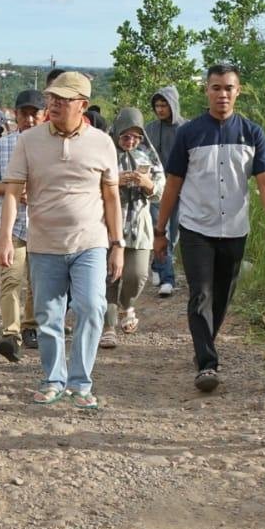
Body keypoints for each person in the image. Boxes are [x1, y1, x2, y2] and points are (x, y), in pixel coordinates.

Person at [0, 71, 123, 410]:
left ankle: (81, 383)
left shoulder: (102, 143)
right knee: (47, 315)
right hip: (44, 244)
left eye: (63, 100)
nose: (53, 104)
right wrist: (5, 238)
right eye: (52, 98)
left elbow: (111, 195)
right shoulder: (29, 140)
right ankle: (54, 379)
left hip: (90, 243)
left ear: (82, 105)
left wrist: (118, 244)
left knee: (92, 307)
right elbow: (11, 192)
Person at [153, 64, 265, 394]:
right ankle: (207, 363)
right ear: (206, 91)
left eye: (228, 88)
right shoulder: (190, 133)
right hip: (196, 226)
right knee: (201, 294)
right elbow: (173, 183)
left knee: (223, 296)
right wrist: (160, 231)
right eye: (215, 88)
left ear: (238, 91)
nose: (222, 94)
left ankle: (204, 343)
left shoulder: (252, 133)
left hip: (235, 229)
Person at [0, 88, 42, 361]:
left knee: (38, 282)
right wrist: (11, 191)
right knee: (11, 279)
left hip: (45, 225)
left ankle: (30, 325)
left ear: (44, 116)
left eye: (34, 114)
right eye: (24, 114)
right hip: (13, 225)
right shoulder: (4, 145)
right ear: (15, 115)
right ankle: (11, 333)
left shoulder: (51, 145)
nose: (29, 120)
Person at [102, 108, 164, 349]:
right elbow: (90, 180)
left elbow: (160, 191)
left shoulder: (148, 156)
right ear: (117, 133)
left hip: (138, 225)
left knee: (136, 275)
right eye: (126, 136)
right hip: (107, 225)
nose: (130, 141)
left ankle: (127, 305)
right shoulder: (105, 153)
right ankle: (108, 327)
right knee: (109, 277)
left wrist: (146, 183)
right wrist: (115, 181)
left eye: (136, 137)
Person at [143, 85, 184, 295]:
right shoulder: (149, 130)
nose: (160, 109)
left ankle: (157, 265)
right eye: (157, 105)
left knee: (175, 233)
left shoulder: (186, 128)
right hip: (158, 189)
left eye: (164, 105)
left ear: (172, 105)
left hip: (181, 189)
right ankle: (168, 280)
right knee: (162, 231)